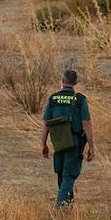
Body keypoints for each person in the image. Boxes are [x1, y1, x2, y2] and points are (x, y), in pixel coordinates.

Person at [41, 68, 94, 207]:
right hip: (74, 142)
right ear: (76, 82)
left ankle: (67, 206)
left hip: (58, 141)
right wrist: (91, 147)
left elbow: (46, 123)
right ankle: (61, 206)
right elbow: (86, 124)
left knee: (61, 173)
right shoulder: (80, 100)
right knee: (68, 175)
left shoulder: (53, 98)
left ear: (62, 81)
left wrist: (43, 144)